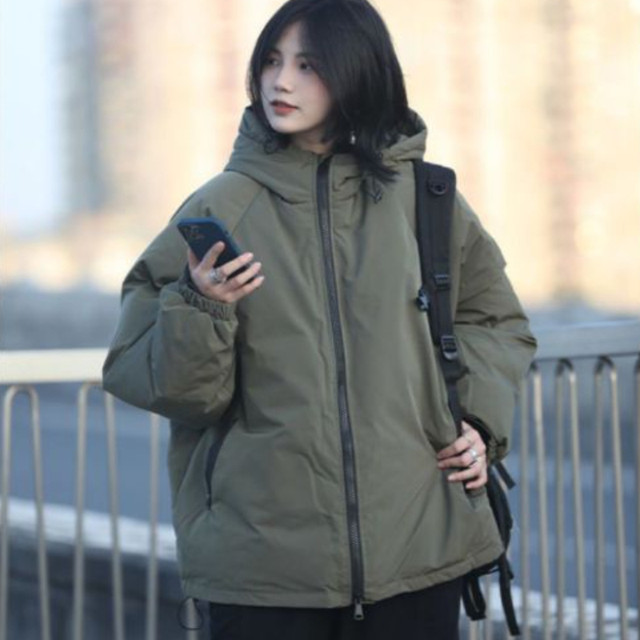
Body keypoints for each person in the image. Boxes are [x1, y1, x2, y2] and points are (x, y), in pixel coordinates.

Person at [102, 0, 536, 638]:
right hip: (265, 566)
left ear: (358, 72)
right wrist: (201, 304)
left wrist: (478, 421)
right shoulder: (222, 205)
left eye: (308, 65)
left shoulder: (427, 198)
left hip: (419, 547)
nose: (280, 82)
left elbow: (493, 319)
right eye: (272, 62)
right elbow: (167, 385)